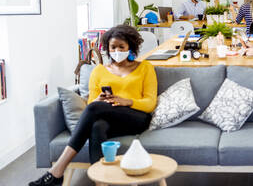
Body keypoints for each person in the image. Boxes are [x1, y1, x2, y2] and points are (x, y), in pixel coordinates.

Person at [29, 25, 157, 186]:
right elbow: (91, 104)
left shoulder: (145, 68)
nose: (117, 50)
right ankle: (101, 183)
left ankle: (57, 171)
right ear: (108, 49)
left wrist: (127, 101)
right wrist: (98, 101)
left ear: (130, 47)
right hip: (108, 116)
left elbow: (150, 103)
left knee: (94, 110)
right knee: (97, 126)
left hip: (137, 117)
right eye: (113, 47)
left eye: (121, 47)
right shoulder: (98, 71)